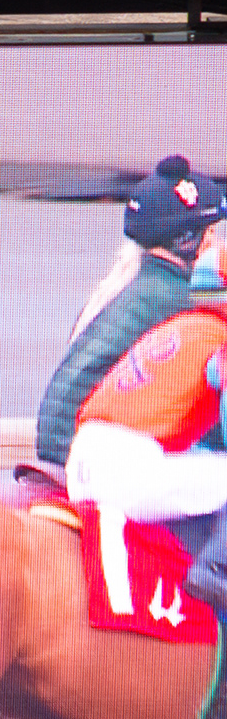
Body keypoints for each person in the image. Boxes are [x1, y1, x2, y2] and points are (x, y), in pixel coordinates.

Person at [68, 234, 227, 617]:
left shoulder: (176, 327)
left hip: (82, 463)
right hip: (129, 471)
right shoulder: (221, 343)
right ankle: (215, 571)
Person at [39, 156, 218, 466]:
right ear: (187, 241)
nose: (218, 241)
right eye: (212, 231)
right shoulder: (176, 299)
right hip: (82, 456)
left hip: (65, 447)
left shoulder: (132, 281)